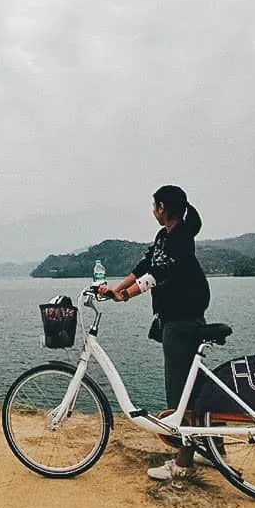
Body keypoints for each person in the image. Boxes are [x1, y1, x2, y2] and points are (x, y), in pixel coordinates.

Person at [100, 184, 210, 480]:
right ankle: (214, 449)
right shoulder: (166, 237)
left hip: (182, 321)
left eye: (154, 206)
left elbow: (155, 276)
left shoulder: (180, 241)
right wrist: (117, 289)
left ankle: (183, 464)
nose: (153, 211)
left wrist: (127, 295)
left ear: (162, 208)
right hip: (178, 319)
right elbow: (145, 264)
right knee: (195, 389)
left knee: (180, 393)